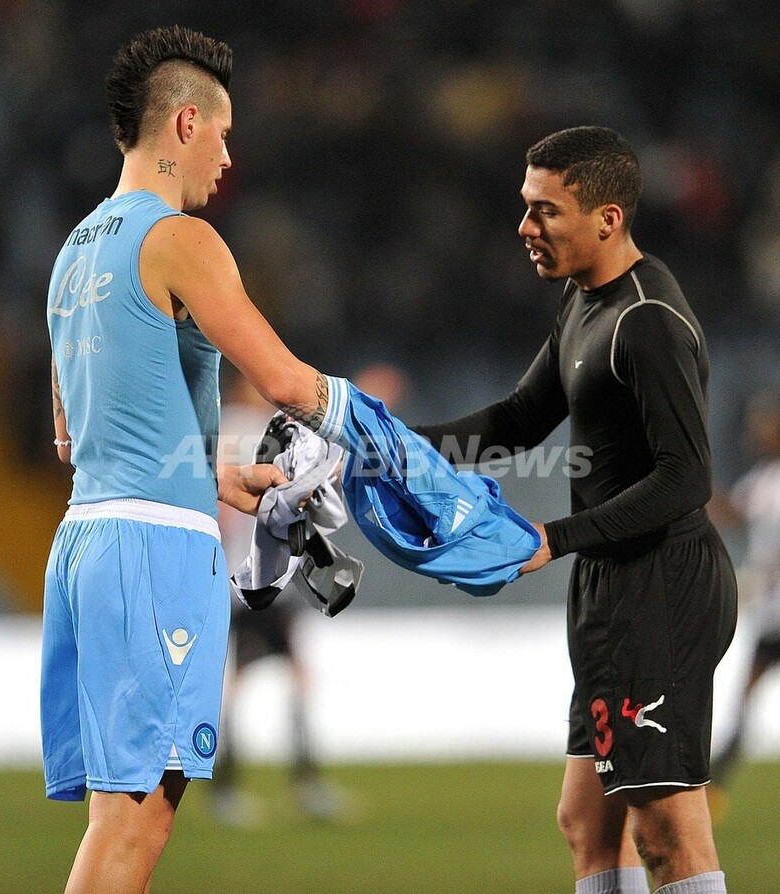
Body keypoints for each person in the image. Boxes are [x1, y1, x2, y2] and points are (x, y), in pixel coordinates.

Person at [44, 26, 343, 894]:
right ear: (185, 123)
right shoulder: (182, 240)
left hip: (88, 541)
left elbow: (74, 437)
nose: (228, 155)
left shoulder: (74, 252)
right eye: (223, 132)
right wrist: (387, 443)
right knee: (136, 823)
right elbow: (284, 380)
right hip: (155, 551)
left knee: (123, 817)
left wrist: (215, 475)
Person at [413, 127, 737, 894]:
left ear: (607, 219)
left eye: (545, 211)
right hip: (611, 585)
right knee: (588, 824)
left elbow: (686, 478)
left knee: (666, 833)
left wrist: (556, 537)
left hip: (662, 586)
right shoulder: (586, 300)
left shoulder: (645, 320)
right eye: (527, 207)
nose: (525, 227)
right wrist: (390, 446)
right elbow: (520, 418)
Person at [209, 373, 354, 825]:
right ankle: (229, 787)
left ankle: (298, 783)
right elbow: (225, 504)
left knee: (292, 678)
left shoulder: (261, 428)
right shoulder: (238, 429)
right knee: (240, 685)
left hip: (271, 577)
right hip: (250, 576)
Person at [708, 389, 780, 807]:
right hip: (772, 616)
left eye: (763, 426)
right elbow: (737, 511)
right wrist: (696, 491)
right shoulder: (763, 479)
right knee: (743, 702)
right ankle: (715, 788)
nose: (755, 434)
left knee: (745, 700)